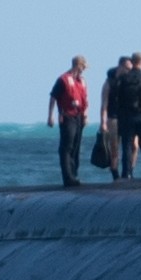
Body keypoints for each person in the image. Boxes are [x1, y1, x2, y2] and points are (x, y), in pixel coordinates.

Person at [47, 55, 91, 187]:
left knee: (76, 147)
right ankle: (68, 177)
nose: (84, 70)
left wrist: (85, 115)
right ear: (78, 65)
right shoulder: (63, 80)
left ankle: (74, 173)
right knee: (67, 146)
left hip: (79, 116)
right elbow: (53, 97)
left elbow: (85, 100)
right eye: (83, 67)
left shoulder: (81, 81)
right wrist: (51, 116)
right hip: (67, 116)